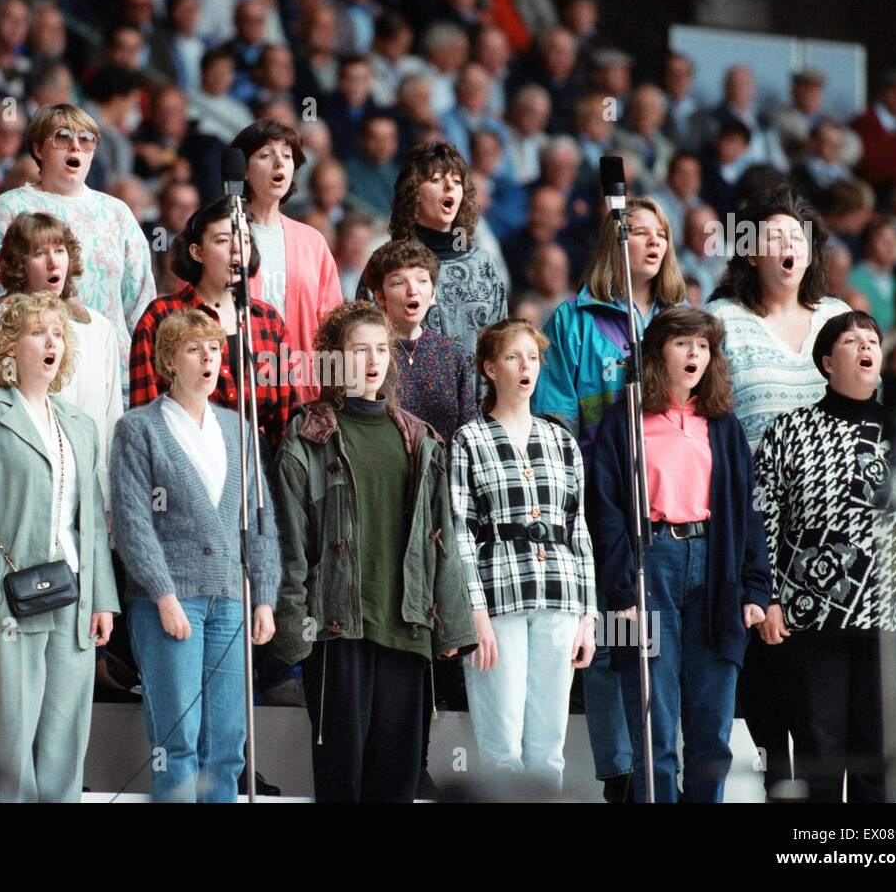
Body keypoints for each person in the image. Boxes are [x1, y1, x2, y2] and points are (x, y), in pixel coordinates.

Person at [272, 301, 477, 802]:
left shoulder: (419, 438)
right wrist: (292, 632)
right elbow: (290, 544)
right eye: (358, 350)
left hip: (406, 628)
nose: (371, 360)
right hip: (337, 628)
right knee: (343, 777)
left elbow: (442, 540)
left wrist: (451, 625)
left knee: (397, 782)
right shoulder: (308, 436)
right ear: (333, 359)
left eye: (381, 349)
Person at [753, 311, 896, 802]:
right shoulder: (788, 432)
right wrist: (768, 598)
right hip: (811, 620)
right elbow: (762, 521)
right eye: (852, 340)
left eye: (873, 340)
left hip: (895, 618)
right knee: (818, 752)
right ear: (827, 361)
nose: (866, 346)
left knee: (884, 757)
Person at [534, 193, 686, 802]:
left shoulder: (682, 320)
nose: (652, 243)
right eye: (639, 233)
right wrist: (576, 500)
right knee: (606, 636)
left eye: (662, 235)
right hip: (599, 502)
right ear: (612, 244)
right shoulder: (572, 320)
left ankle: (663, 765)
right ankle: (620, 774)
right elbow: (557, 420)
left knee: (663, 635)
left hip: (671, 504)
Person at [703, 184, 852, 794]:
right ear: (751, 254)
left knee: (829, 708)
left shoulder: (838, 316)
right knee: (768, 703)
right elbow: (706, 423)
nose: (788, 248)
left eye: (798, 238)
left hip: (836, 536)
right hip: (754, 530)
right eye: (773, 239)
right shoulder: (722, 321)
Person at [589, 307, 771, 802]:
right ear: (656, 353)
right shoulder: (624, 419)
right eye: (682, 343)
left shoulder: (725, 426)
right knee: (655, 726)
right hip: (650, 567)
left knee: (712, 728)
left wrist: (757, 587)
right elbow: (605, 513)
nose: (695, 354)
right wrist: (621, 588)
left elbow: (749, 514)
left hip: (716, 572)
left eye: (703, 346)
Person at [0, 292, 119, 803]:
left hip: (74, 599)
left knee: (66, 740)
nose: (52, 342)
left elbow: (90, 521)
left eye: (58, 334)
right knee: (9, 738)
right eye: (37, 332)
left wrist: (104, 599)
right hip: (7, 598)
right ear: (9, 346)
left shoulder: (81, 425)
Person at [110, 309, 281, 802]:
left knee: (227, 743)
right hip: (169, 603)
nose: (208, 358)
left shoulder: (238, 429)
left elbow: (260, 521)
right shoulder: (137, 428)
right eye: (193, 350)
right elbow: (132, 520)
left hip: (230, 600)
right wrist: (164, 597)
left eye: (214, 349)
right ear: (168, 360)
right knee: (177, 739)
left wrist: (264, 598)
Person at [449, 318, 597, 790]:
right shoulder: (468, 439)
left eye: (532, 358)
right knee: (501, 745)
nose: (524, 367)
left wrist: (587, 616)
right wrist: (474, 612)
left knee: (548, 748)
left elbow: (579, 530)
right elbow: (460, 532)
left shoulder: (561, 440)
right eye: (513, 357)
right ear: (491, 368)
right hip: (498, 598)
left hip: (559, 595)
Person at [0, 103, 155, 400]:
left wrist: (144, 377)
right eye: (63, 137)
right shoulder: (10, 208)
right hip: (34, 378)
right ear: (39, 148)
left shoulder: (117, 212)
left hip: (112, 379)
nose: (76, 146)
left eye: (87, 139)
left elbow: (141, 304)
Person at [0, 213, 122, 498]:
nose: (53, 262)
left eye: (60, 251)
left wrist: (107, 499)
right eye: (39, 253)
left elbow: (111, 421)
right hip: (15, 490)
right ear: (20, 264)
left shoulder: (98, 328)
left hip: (86, 491)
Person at [129, 197, 294, 452]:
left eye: (245, 240)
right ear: (197, 252)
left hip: (257, 472)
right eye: (223, 240)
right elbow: (144, 416)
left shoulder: (268, 321)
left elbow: (285, 421)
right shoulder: (162, 316)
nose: (237, 249)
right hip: (184, 462)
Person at [372, 140, 508, 381]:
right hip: (408, 409)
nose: (449, 186)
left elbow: (501, 343)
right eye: (436, 180)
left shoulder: (483, 264)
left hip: (478, 410)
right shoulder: (386, 263)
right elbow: (367, 342)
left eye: (456, 182)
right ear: (413, 193)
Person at [228, 118, 342, 399]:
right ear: (243, 170)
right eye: (266, 155)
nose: (279, 163)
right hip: (235, 389)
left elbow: (333, 325)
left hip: (302, 391)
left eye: (287, 156)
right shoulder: (220, 235)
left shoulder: (312, 241)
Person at [361, 238, 476, 443]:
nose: (412, 290)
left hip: (443, 470)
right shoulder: (365, 355)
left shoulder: (451, 353)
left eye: (422, 281)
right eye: (398, 282)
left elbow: (467, 430)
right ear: (379, 296)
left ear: (432, 294)